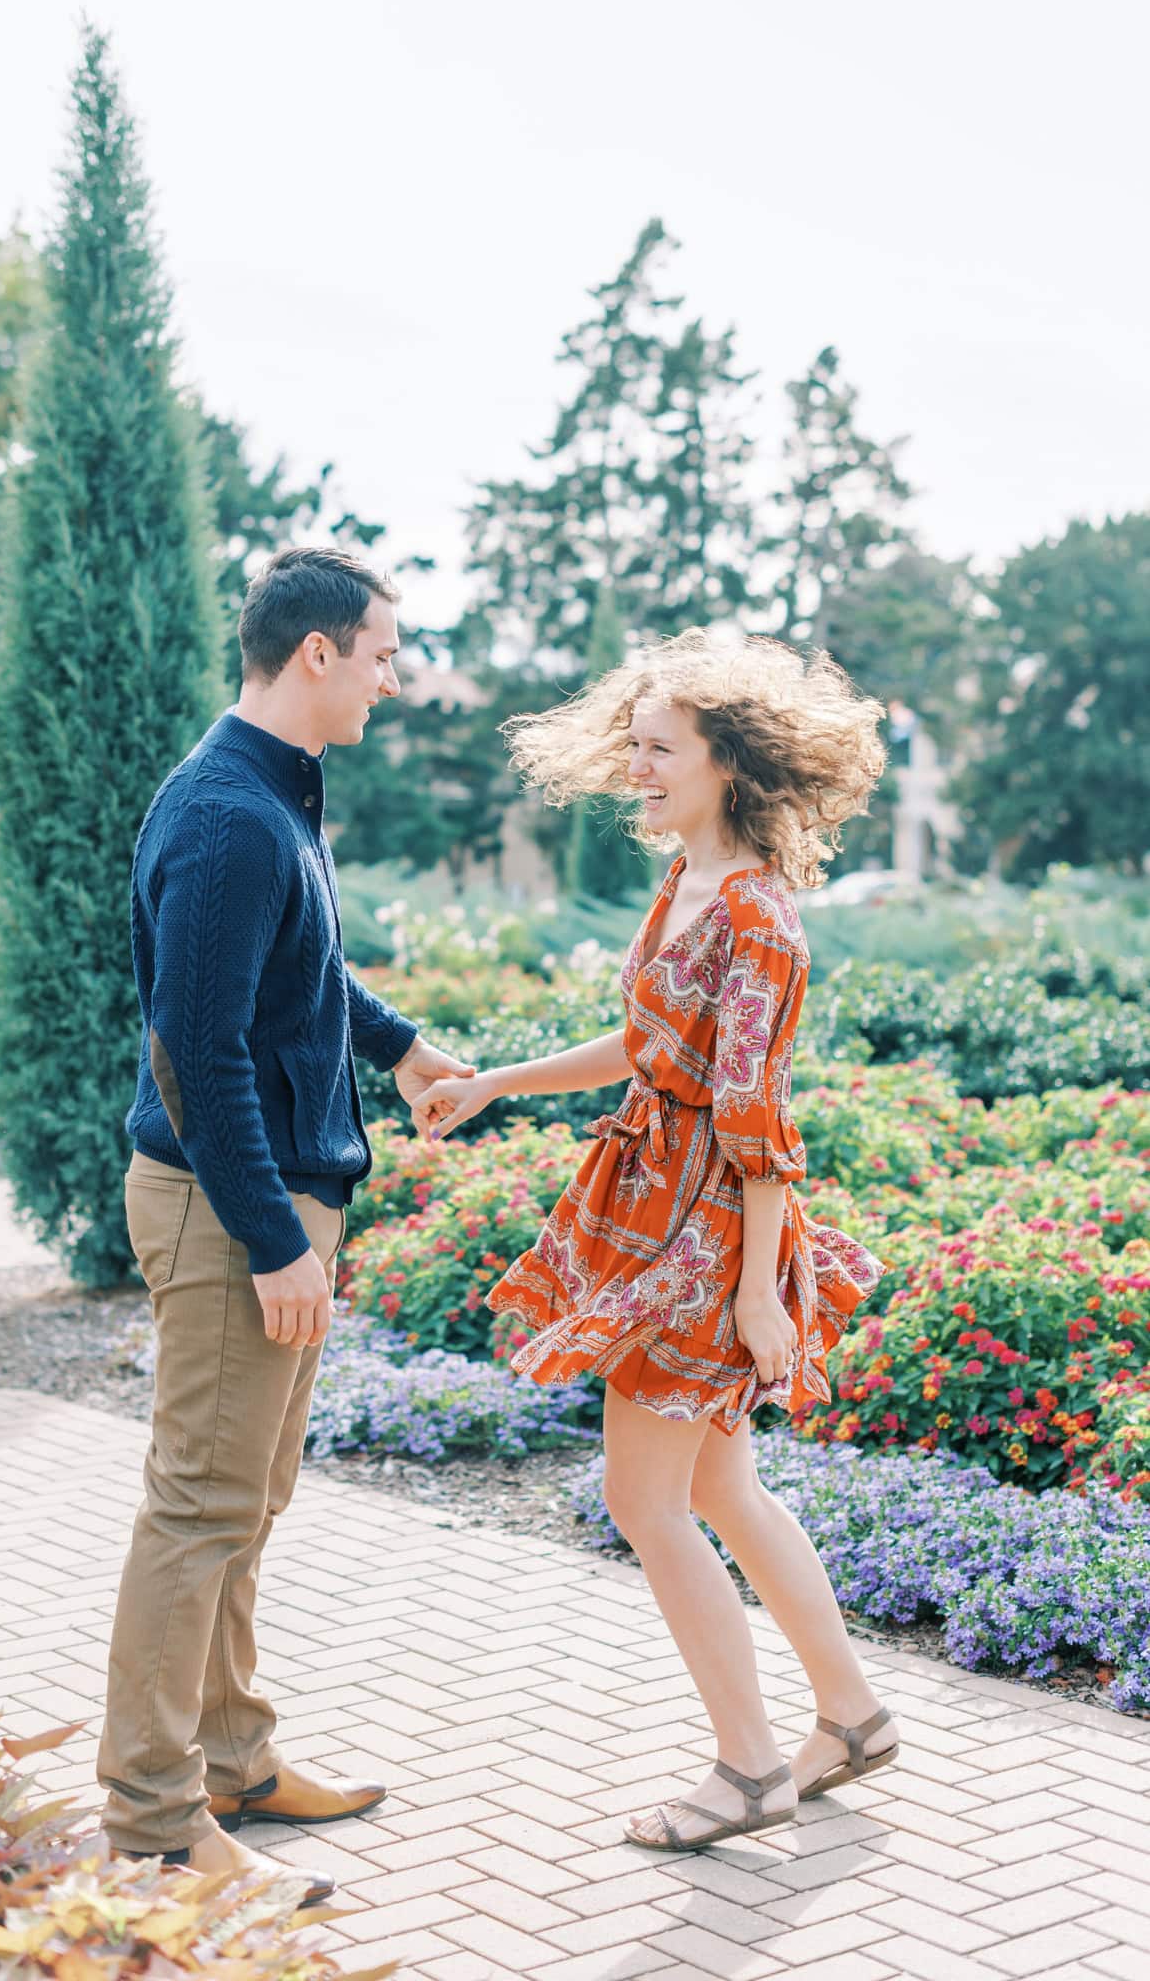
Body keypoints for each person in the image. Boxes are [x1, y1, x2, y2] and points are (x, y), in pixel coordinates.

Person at [416, 628, 898, 1855]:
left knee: (642, 1497)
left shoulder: (755, 914)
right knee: (719, 1487)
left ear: (726, 762)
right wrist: (496, 1081)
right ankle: (849, 1717)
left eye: (659, 749)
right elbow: (646, 1047)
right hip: (654, 1209)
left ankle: (747, 1768)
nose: (636, 767)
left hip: (702, 1234)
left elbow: (753, 1115)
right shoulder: (684, 883)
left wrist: (755, 1293)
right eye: (631, 745)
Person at [99, 546, 474, 1899]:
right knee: (198, 1507)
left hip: (263, 1202)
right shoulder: (227, 815)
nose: (391, 679)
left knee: (243, 1504)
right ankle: (154, 1820)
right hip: (228, 1208)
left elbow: (299, 972)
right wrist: (272, 1242)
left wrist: (404, 1047)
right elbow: (194, 1054)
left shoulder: (273, 797)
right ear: (315, 651)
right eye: (381, 654)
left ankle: (233, 1763)